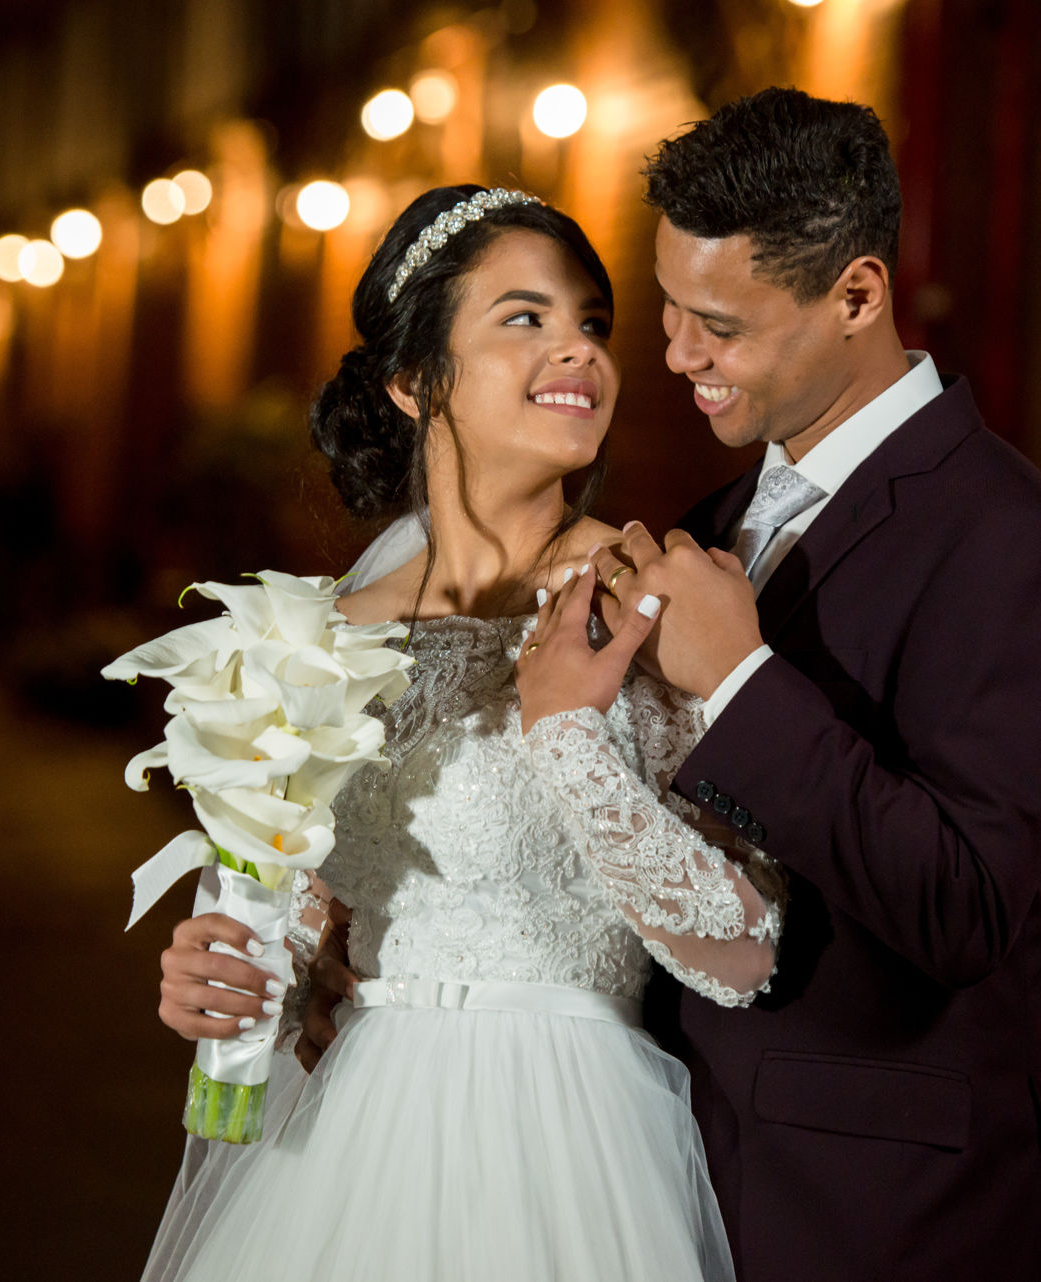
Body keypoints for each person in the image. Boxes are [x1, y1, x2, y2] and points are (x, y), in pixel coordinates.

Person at [141, 184, 783, 1282]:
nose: (577, 350)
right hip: (347, 1153)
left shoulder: (649, 595)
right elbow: (304, 930)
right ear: (412, 378)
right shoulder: (325, 639)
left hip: (571, 1146)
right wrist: (232, 971)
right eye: (523, 318)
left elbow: (745, 949)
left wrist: (569, 738)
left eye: (590, 322)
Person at [576, 88, 1041, 1279]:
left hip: (886, 1215)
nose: (674, 355)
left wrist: (743, 682)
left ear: (857, 295)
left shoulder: (1010, 540)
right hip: (671, 1177)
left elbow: (965, 904)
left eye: (720, 323)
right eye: (667, 307)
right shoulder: (713, 522)